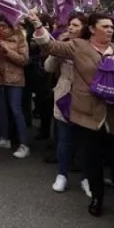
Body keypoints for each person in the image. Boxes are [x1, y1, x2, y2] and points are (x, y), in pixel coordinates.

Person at [28, 11, 114, 224]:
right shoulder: (78, 46)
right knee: (93, 160)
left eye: (112, 27)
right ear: (93, 28)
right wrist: (37, 24)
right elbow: (51, 47)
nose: (110, 30)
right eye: (105, 26)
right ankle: (97, 198)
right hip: (88, 114)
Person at [44, 14, 88, 194]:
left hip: (85, 97)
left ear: (85, 28)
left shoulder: (89, 46)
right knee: (64, 139)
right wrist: (57, 50)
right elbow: (48, 67)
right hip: (64, 96)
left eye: (75, 25)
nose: (70, 28)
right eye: (69, 24)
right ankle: (62, 175)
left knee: (85, 141)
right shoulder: (62, 45)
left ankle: (87, 178)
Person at [0, 16, 31, 159]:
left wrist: (7, 50)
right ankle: (4, 138)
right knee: (2, 110)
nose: (1, 29)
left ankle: (24, 144)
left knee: (16, 110)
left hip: (15, 80)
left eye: (5, 26)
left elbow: (24, 60)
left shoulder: (19, 39)